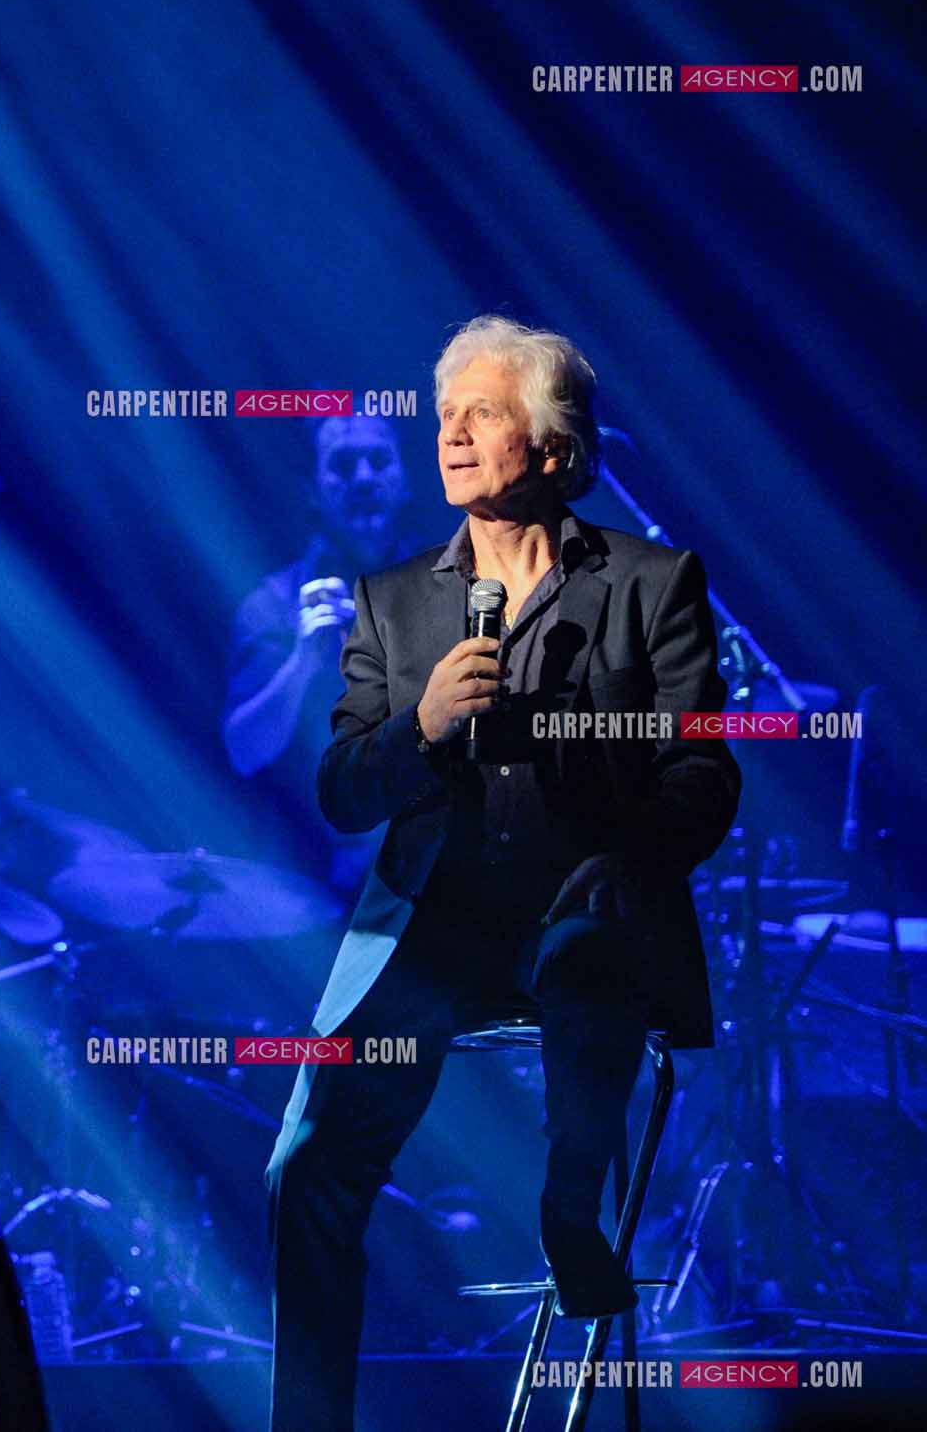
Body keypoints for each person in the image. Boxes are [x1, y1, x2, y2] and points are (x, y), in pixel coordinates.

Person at [261, 317, 741, 1431]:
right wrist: (423, 725)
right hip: (432, 932)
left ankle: (570, 1210)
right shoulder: (392, 604)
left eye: (483, 413)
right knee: (307, 1169)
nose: (453, 436)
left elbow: (702, 773)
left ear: (554, 447)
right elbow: (342, 791)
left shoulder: (651, 583)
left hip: (587, 911)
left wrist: (629, 855)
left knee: (588, 943)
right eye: (446, 416)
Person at [223, 415, 414, 896]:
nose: (364, 478)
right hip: (310, 887)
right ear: (312, 490)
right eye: (343, 465)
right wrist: (302, 664)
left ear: (405, 478)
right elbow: (243, 751)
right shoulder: (273, 605)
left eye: (379, 461)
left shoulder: (450, 587)